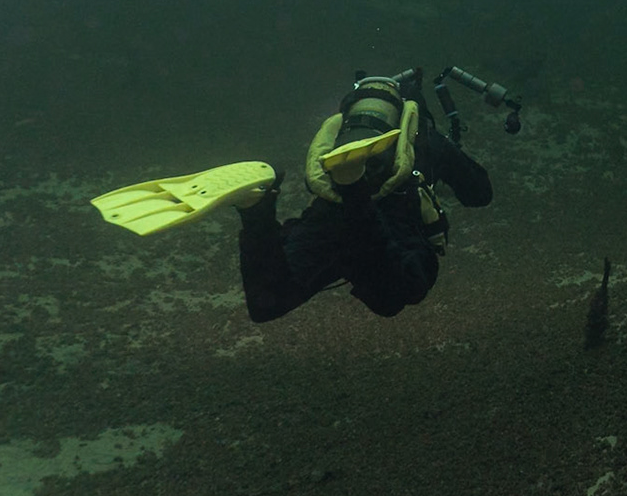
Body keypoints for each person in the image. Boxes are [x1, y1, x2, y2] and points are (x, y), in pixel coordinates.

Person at [90, 66, 514, 322]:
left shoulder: (337, 137)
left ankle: (257, 208)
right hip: (388, 224)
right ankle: (352, 186)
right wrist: (444, 154)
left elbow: (262, 308)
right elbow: (481, 194)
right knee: (400, 292)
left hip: (329, 216)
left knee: (269, 301)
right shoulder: (422, 138)